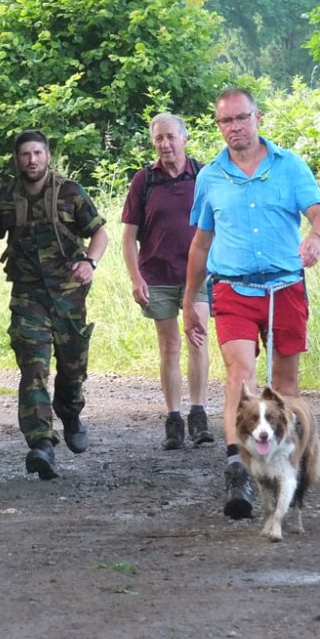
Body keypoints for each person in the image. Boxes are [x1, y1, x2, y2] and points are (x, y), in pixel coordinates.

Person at [183, 88, 320, 520]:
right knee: (240, 377)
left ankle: (286, 466)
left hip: (284, 287)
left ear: (258, 118)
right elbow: (200, 243)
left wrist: (315, 237)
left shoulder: (289, 166)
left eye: (241, 118)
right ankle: (238, 466)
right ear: (218, 126)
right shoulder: (209, 176)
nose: (235, 128)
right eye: (226, 121)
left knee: (284, 386)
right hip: (232, 287)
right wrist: (190, 300)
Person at [0, 130, 109, 480]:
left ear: (48, 157)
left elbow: (99, 232)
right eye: (26, 154)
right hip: (28, 295)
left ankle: (70, 411)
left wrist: (90, 262)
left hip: (69, 295)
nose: (32, 160)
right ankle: (41, 443)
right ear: (17, 159)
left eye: (38, 154)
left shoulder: (70, 192)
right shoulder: (5, 198)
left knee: (73, 368)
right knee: (33, 366)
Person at [122, 113, 214, 451]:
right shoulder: (143, 181)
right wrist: (135, 278)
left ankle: (199, 415)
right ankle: (173, 419)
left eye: (171, 137)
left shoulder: (205, 175)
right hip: (157, 274)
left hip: (200, 274)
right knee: (169, 345)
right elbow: (128, 237)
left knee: (198, 340)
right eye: (159, 138)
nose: (165, 144)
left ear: (185, 139)